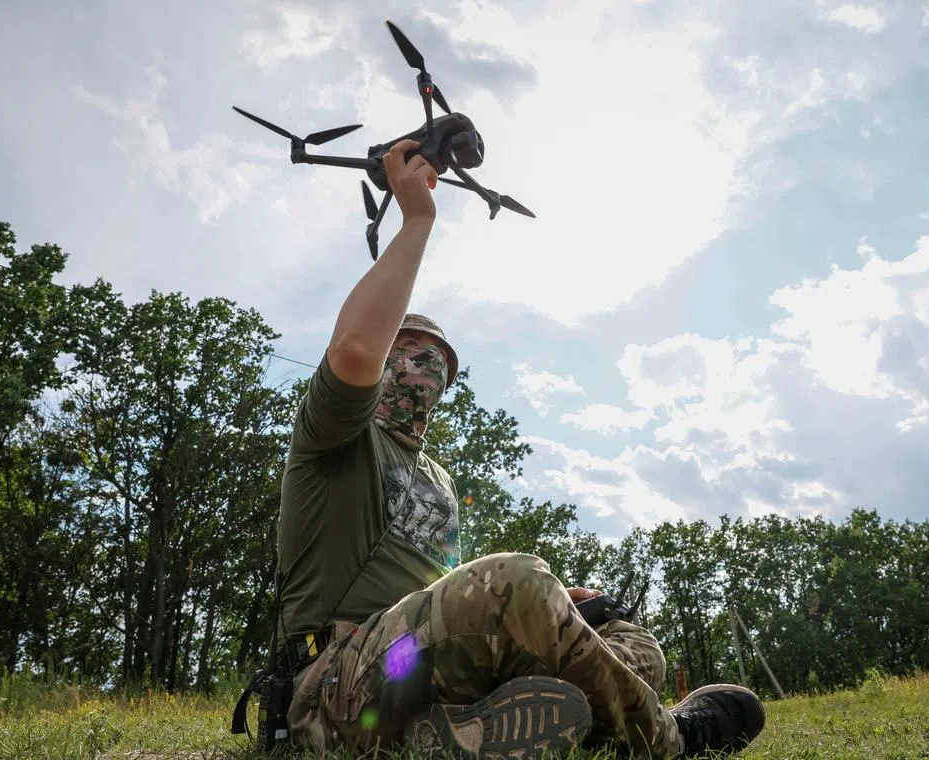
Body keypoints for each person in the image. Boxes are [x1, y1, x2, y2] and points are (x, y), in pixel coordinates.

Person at [276, 139, 766, 758]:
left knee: (631, 642)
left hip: (421, 668)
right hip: (334, 681)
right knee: (520, 578)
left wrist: (565, 603)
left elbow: (446, 600)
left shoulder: (439, 481)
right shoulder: (336, 434)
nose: (421, 366)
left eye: (437, 361)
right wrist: (418, 219)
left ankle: (450, 737)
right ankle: (669, 739)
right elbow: (352, 351)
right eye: (405, 349)